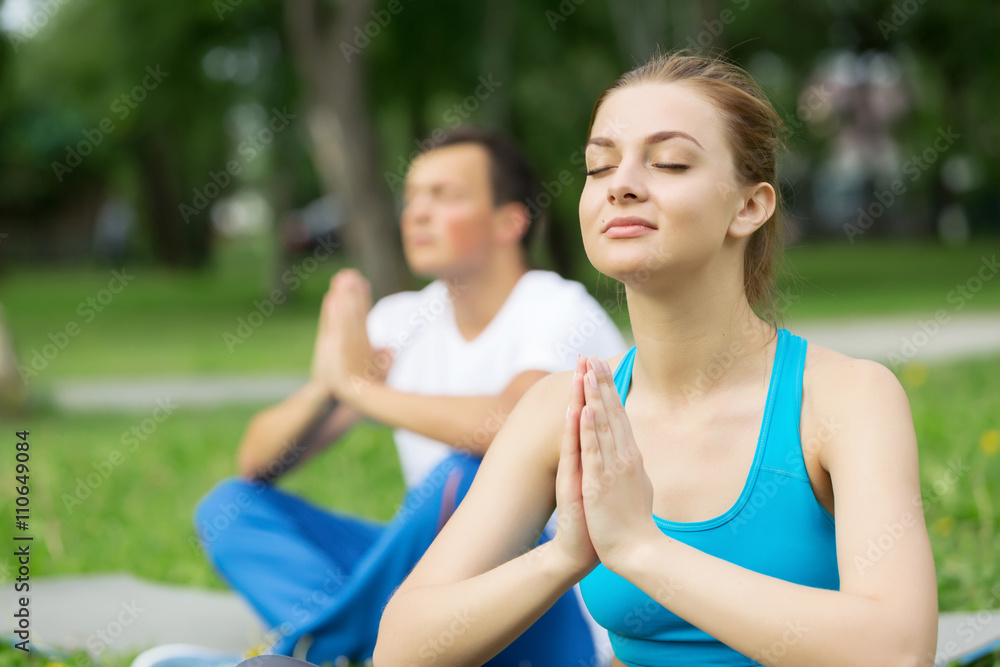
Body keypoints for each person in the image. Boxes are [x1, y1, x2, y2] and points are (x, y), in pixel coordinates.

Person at [375, 52, 939, 666]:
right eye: (599, 166)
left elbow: (899, 651)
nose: (620, 183)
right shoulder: (560, 413)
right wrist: (566, 554)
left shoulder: (846, 399)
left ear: (749, 206)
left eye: (669, 162)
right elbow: (402, 648)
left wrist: (643, 549)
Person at [132, 127, 625, 667]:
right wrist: (330, 382)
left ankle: (319, 651)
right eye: (412, 197)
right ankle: (347, 649)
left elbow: (504, 425)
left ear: (510, 220)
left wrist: (361, 389)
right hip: (430, 592)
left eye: (445, 196)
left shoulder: (558, 309)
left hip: (548, 599)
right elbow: (256, 461)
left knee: (466, 479)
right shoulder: (403, 318)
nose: (417, 213)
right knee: (229, 508)